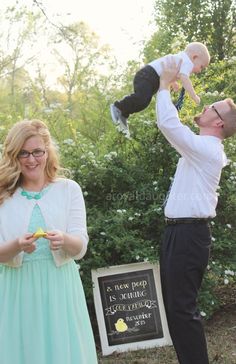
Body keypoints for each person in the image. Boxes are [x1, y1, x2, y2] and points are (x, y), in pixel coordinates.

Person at [156, 57, 236, 364]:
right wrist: (169, 94)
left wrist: (163, 85)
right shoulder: (199, 147)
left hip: (189, 235)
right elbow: (172, 126)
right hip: (180, 233)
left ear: (218, 122)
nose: (202, 107)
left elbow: (167, 124)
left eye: (211, 108)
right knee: (176, 308)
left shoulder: (208, 150)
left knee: (181, 309)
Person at [0, 119, 98, 364]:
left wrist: (64, 240)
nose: (31, 160)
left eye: (37, 152)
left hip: (61, 288)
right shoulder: (3, 196)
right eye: (23, 153)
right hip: (17, 289)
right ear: (13, 155)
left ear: (47, 152)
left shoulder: (69, 190)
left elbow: (80, 248)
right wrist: (16, 246)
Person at [110, 41, 210, 136]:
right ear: (195, 57)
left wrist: (173, 82)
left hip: (150, 76)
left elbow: (167, 71)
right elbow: (185, 79)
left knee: (144, 102)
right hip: (148, 75)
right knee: (141, 98)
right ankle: (118, 106)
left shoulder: (181, 59)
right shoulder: (187, 62)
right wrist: (194, 95)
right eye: (201, 66)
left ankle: (123, 113)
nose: (200, 71)